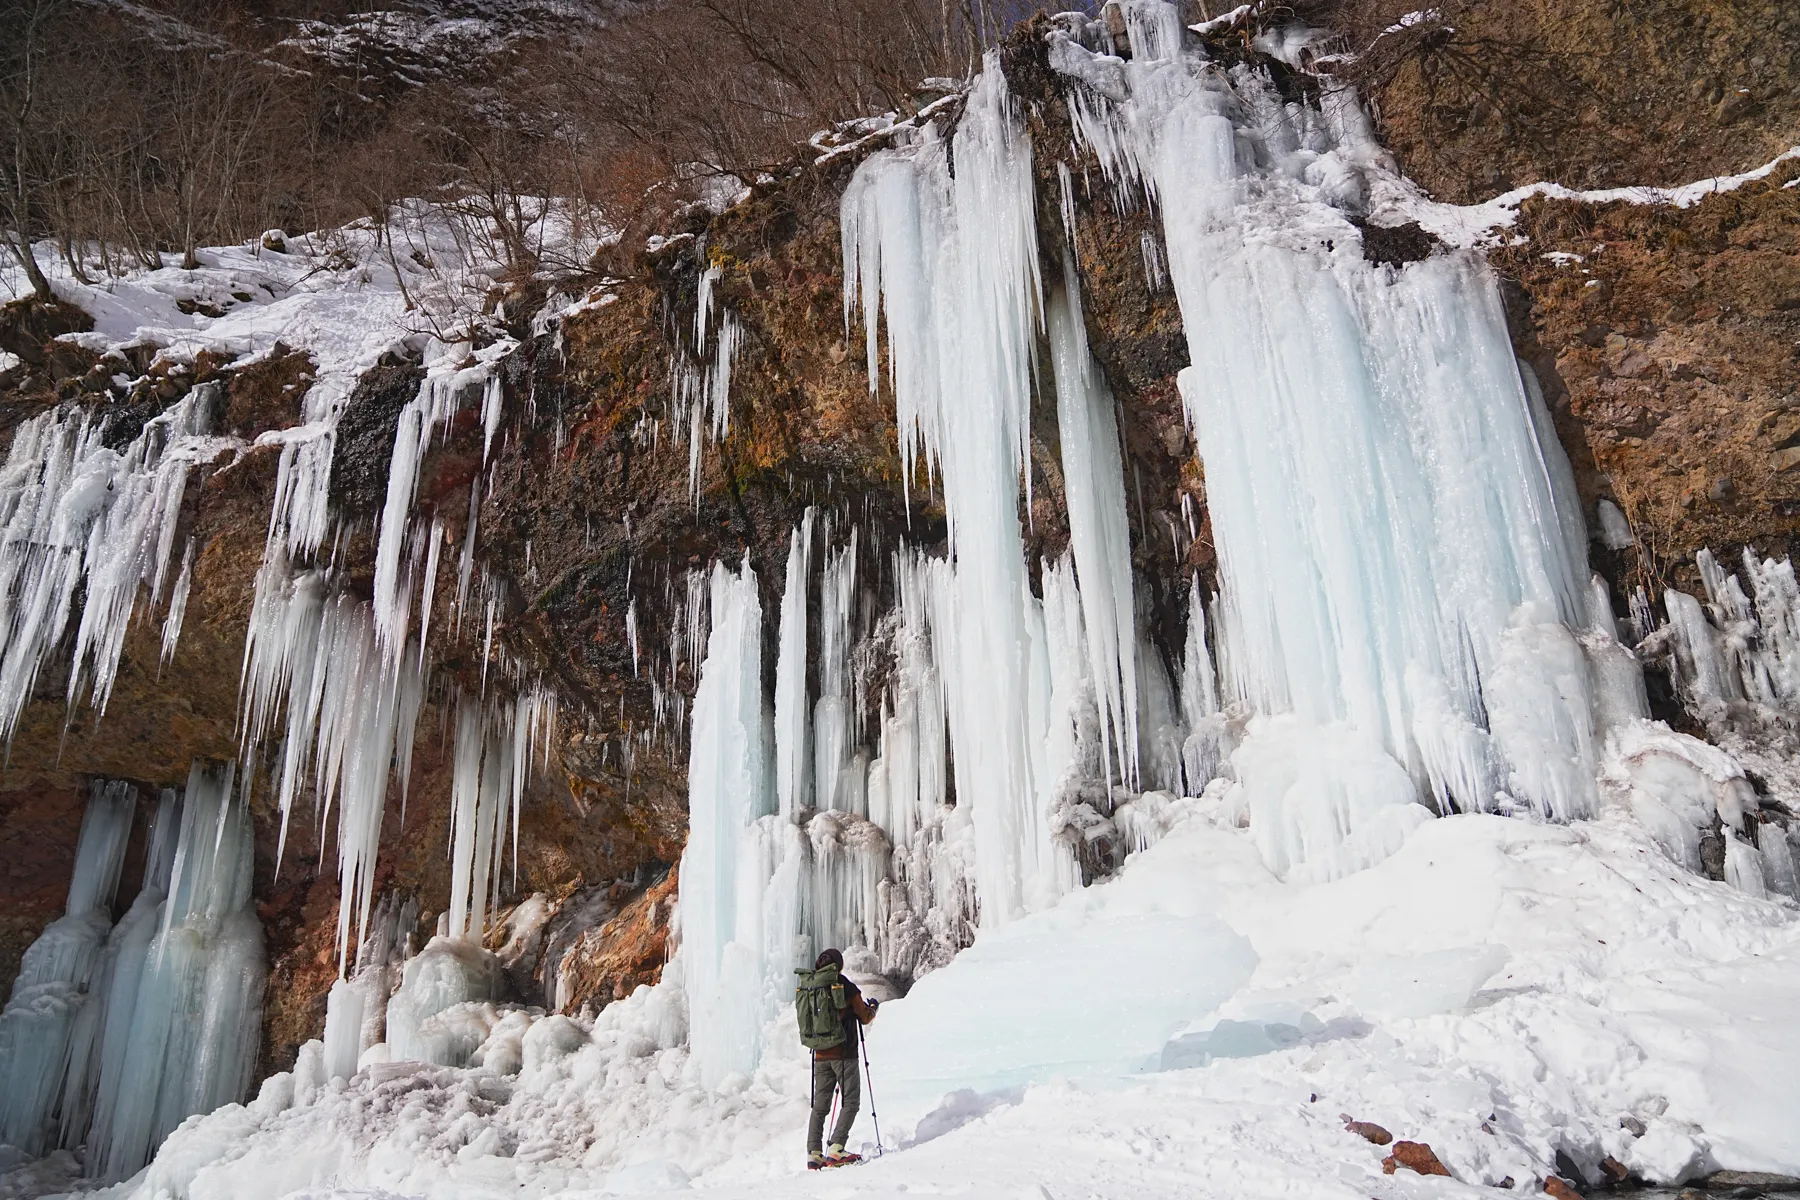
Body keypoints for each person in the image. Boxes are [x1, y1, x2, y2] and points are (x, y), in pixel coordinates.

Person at [803, 948, 877, 1167]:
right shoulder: (845, 986)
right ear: (839, 966)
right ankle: (837, 1148)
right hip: (844, 1055)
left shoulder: (812, 986)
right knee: (851, 1102)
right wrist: (872, 1007)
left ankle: (814, 1153)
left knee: (820, 1106)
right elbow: (864, 1017)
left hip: (820, 1055)